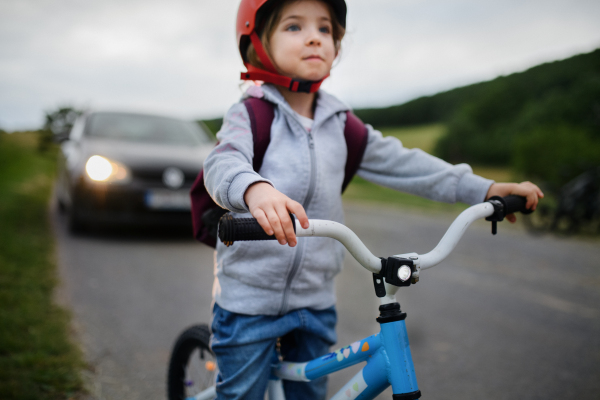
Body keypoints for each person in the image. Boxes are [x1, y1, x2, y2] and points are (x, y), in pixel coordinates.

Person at [203, 0, 544, 398]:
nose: (314, 36)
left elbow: (407, 165)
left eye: (325, 29)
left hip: (314, 300)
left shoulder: (344, 126)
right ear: (258, 43)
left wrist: (483, 189)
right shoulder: (251, 114)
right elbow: (222, 161)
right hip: (249, 300)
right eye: (293, 27)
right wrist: (253, 188)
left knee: (309, 394)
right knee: (241, 394)